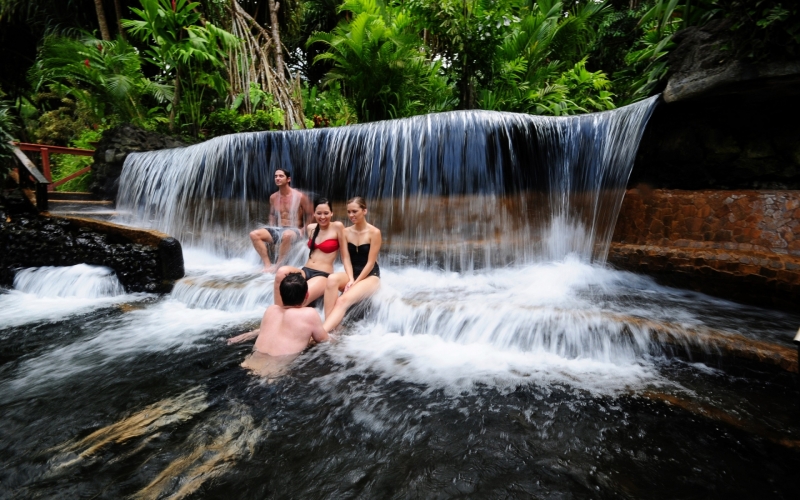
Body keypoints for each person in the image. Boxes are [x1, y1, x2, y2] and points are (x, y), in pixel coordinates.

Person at [227, 272, 329, 376]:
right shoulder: (309, 314)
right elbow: (324, 340)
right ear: (307, 295)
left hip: (247, 366)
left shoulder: (270, 310)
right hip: (274, 374)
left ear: (281, 294)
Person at [273, 198, 348, 307]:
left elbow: (345, 256)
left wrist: (350, 278)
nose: (322, 217)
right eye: (319, 213)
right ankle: (278, 310)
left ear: (332, 213)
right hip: (305, 270)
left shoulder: (337, 227)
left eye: (326, 213)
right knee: (281, 272)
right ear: (314, 214)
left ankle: (288, 315)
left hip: (323, 275)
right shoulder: (311, 228)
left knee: (299, 298)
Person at [322, 196, 382, 332]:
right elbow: (346, 258)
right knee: (331, 279)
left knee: (342, 300)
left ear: (364, 211)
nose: (351, 215)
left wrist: (355, 282)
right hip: (352, 272)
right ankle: (332, 327)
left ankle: (321, 333)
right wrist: (350, 279)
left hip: (370, 275)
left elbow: (371, 262)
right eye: (349, 212)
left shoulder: (374, 232)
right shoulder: (346, 232)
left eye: (354, 211)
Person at [249, 168, 313, 273]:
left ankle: (278, 265)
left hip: (294, 230)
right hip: (278, 229)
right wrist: (271, 226)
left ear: (288, 179)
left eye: (281, 176)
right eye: (276, 176)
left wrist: (303, 230)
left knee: (287, 235)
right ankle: (267, 265)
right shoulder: (273, 197)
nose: (277, 178)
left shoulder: (300, 196)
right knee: (254, 234)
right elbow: (272, 214)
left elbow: (311, 214)